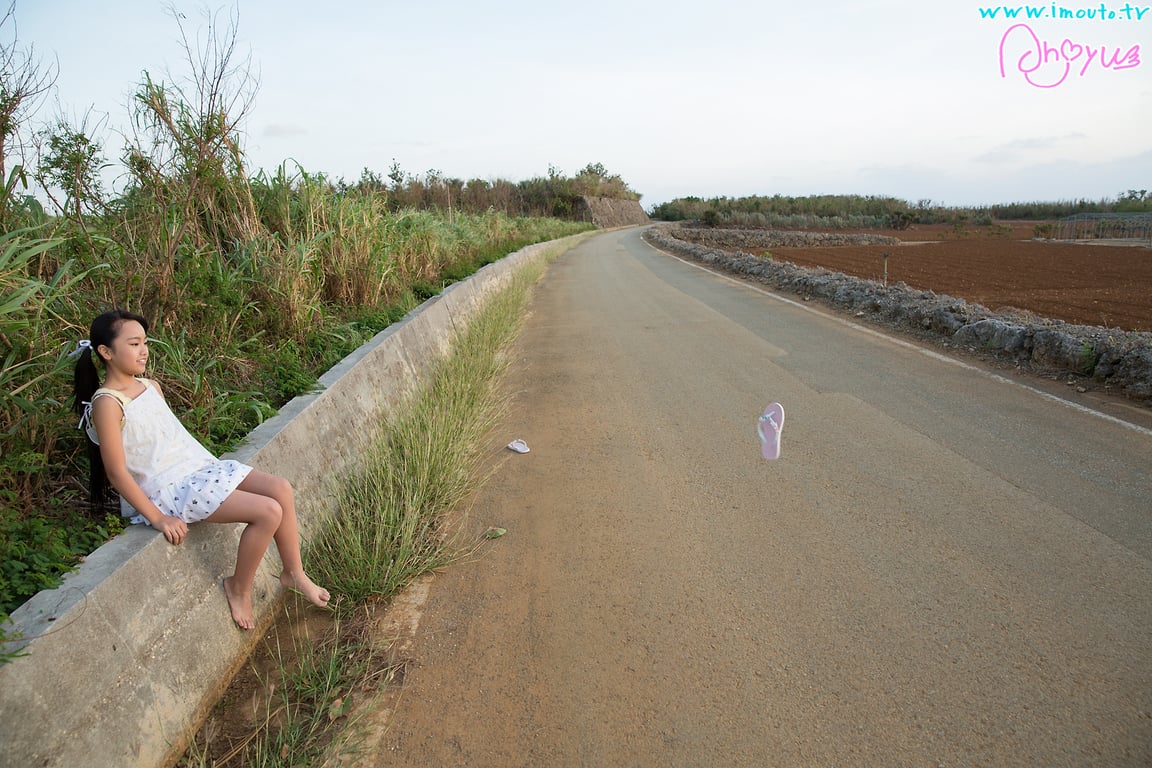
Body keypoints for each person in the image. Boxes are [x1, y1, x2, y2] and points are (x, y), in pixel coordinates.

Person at [72, 309, 330, 630]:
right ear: (106, 352)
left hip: (197, 470)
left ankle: (293, 572)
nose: (144, 350)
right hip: (169, 492)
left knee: (281, 488)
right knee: (268, 511)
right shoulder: (108, 403)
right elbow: (117, 473)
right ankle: (238, 587)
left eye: (145, 343)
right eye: (134, 344)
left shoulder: (150, 386)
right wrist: (157, 517)